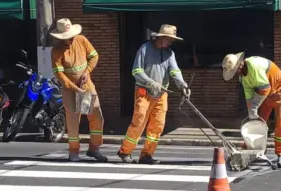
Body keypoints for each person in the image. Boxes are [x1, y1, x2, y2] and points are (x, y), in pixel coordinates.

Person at [117, 24, 190, 164]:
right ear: (160, 38)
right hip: (144, 92)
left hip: (161, 94)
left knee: (157, 125)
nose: (170, 42)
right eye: (169, 39)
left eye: (172, 40)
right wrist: (151, 83)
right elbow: (136, 71)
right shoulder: (145, 49)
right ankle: (125, 151)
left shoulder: (169, 53)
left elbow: (175, 71)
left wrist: (182, 84)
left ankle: (147, 155)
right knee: (139, 122)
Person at [50, 18, 107, 162]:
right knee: (73, 121)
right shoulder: (56, 51)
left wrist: (87, 72)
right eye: (66, 38)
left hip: (86, 87)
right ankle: (74, 151)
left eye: (71, 36)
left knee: (96, 115)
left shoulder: (81, 40)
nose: (70, 39)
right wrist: (75, 88)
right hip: (70, 91)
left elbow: (94, 56)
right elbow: (60, 74)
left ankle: (94, 149)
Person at [221, 52, 281, 168]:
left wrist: (254, 107)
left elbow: (265, 89)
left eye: (234, 71)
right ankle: (257, 152)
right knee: (258, 122)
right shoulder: (243, 79)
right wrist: (251, 113)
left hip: (280, 89)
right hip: (266, 94)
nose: (235, 74)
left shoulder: (253, 66)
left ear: (239, 65)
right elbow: (249, 98)